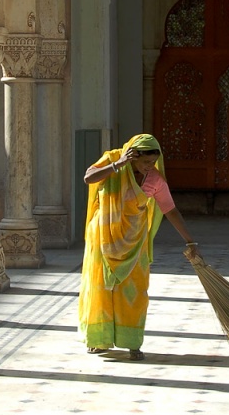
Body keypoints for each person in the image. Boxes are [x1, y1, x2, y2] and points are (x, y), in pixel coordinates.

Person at [78, 132, 198, 361]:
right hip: (103, 238)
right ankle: (97, 340)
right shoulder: (114, 160)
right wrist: (117, 165)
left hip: (135, 243)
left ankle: (131, 342)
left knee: (135, 293)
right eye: (145, 162)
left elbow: (170, 210)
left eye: (153, 162)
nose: (149, 166)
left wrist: (190, 240)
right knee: (100, 288)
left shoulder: (155, 180)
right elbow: (89, 178)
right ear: (132, 156)